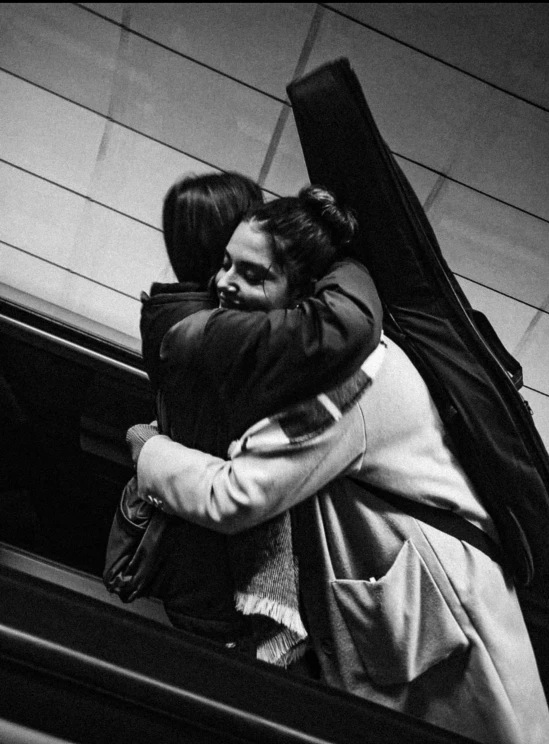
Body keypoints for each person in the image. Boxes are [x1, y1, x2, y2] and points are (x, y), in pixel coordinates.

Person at [130, 194, 549, 743]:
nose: (225, 282)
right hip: (412, 620)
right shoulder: (319, 361)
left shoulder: (347, 383)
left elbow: (236, 497)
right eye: (227, 263)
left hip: (449, 635)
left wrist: (149, 451)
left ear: (301, 293)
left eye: (254, 274)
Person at [123, 172, 383, 662]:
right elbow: (342, 325)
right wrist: (338, 254)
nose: (229, 280)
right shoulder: (214, 333)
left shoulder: (172, 308)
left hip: (198, 569)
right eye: (229, 259)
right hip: (222, 582)